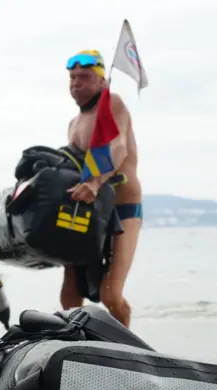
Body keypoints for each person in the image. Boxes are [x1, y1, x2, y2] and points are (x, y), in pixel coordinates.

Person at [61, 49, 142, 328]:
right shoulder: (73, 123)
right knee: (70, 294)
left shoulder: (112, 104)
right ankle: (78, 345)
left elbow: (117, 148)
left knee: (111, 294)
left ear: (101, 81)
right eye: (72, 77)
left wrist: (95, 182)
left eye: (84, 77)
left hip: (123, 208)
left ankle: (131, 352)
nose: (76, 83)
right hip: (90, 210)